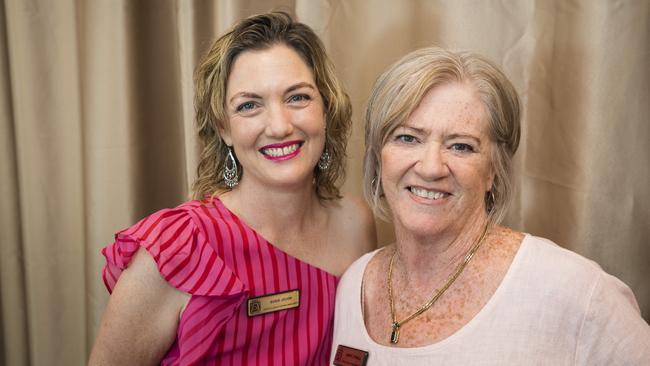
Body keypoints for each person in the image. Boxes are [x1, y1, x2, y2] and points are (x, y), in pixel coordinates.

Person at [331, 46, 650, 365]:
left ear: (493, 171)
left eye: (460, 146)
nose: (430, 167)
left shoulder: (574, 290)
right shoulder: (354, 286)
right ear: (378, 155)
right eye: (408, 138)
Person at [89, 12, 375, 365]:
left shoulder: (355, 223)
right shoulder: (176, 248)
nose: (279, 125)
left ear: (326, 108)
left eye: (297, 98)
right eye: (249, 105)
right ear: (224, 128)